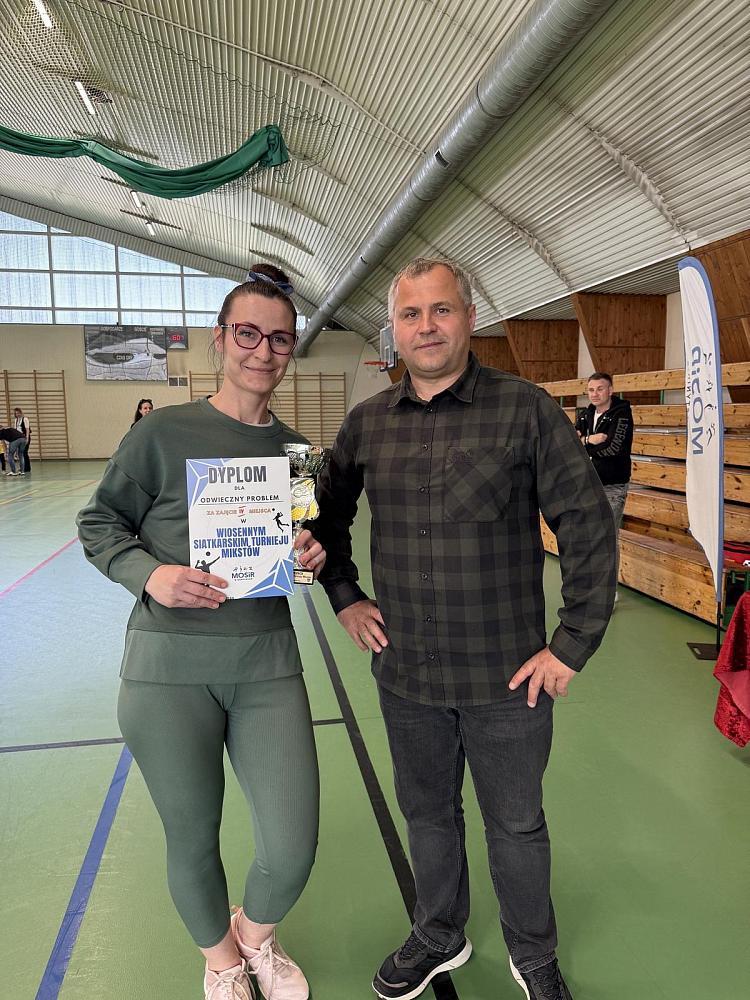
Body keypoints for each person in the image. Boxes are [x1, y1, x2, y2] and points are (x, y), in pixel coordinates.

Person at [311, 258, 617, 1000]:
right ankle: (439, 933)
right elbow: (322, 515)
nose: (426, 327)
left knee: (516, 824)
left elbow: (586, 527)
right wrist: (344, 594)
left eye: (441, 310)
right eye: (410, 314)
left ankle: (533, 952)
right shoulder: (366, 424)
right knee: (427, 815)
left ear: (470, 318)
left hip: (507, 677)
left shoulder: (525, 411)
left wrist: (571, 644)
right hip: (406, 674)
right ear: (393, 329)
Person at [78, 274, 325, 1000]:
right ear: (220, 339)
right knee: (191, 836)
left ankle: (255, 938)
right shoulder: (160, 433)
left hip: (265, 664)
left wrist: (310, 554)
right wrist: (150, 575)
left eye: (279, 338)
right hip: (167, 671)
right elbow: (99, 523)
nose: (262, 351)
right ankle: (222, 964)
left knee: (292, 845)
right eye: (247, 333)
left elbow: (300, 547)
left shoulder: (297, 453)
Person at [575, 372, 634, 595]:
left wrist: (584, 445)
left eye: (600, 389)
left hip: (612, 487)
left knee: (607, 538)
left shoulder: (622, 415)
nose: (595, 394)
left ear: (610, 390)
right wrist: (589, 439)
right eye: (591, 390)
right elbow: (571, 442)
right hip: (587, 485)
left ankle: (609, 591)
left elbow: (613, 449)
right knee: (588, 537)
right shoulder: (585, 415)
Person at [13, 407, 31, 473]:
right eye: (16, 413)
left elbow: (27, 429)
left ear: (21, 413)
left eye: (18, 413)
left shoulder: (25, 419)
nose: (17, 414)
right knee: (20, 453)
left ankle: (27, 468)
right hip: (18, 438)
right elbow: (15, 429)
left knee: (24, 452)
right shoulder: (16, 420)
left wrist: (27, 438)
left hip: (24, 437)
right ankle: (22, 467)